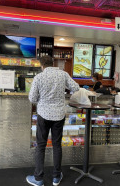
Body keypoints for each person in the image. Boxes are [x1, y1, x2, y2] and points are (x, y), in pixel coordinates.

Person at [26, 56, 80, 186]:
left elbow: (32, 98)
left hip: (43, 115)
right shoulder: (63, 74)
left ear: (42, 65)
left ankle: (38, 178)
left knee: (41, 146)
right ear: (52, 63)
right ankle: (56, 177)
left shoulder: (38, 77)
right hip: (59, 115)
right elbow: (76, 88)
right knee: (57, 145)